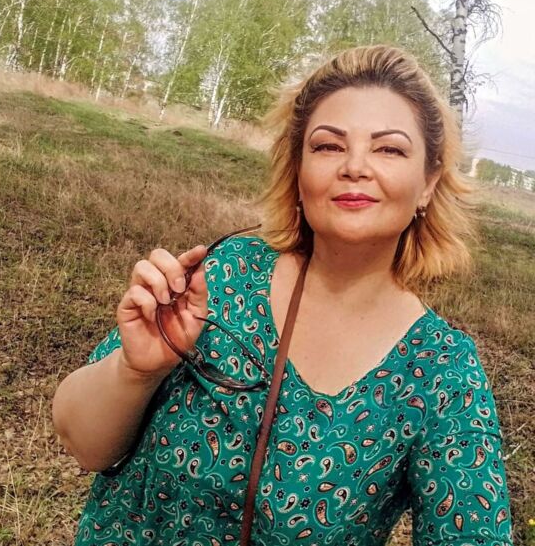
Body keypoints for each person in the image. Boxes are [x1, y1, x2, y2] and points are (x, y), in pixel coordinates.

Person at [52, 45, 514, 546]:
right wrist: (136, 371)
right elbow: (85, 446)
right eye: (328, 146)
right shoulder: (223, 277)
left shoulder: (443, 371)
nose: (354, 166)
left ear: (427, 183)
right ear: (298, 170)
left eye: (389, 150)